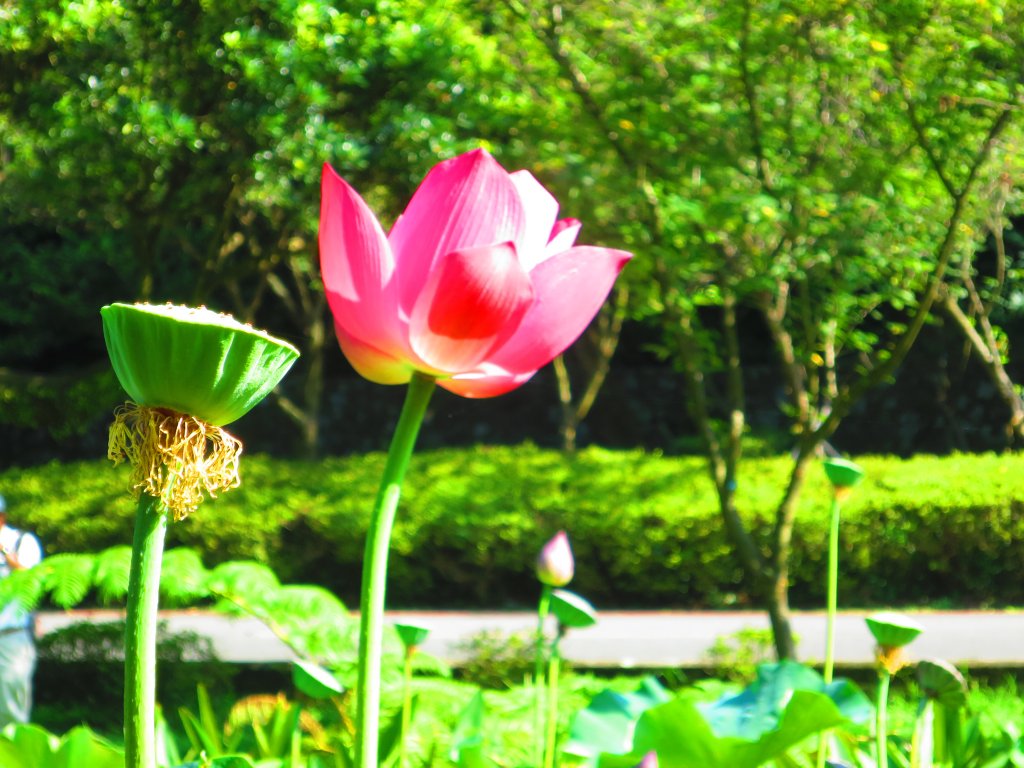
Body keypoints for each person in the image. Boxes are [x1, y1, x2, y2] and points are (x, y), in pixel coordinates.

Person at [0, 493, 43, 727]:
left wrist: (6, 555)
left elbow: (33, 580)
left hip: (11, 636)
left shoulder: (23, 541)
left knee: (11, 701)